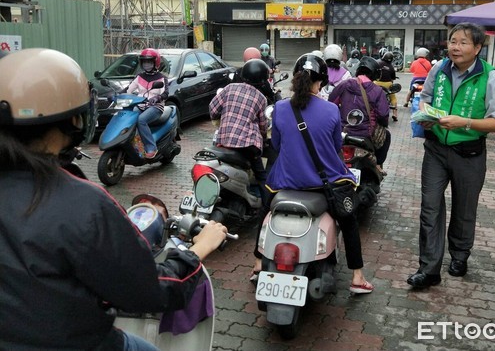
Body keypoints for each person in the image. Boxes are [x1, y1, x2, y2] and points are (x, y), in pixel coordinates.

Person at [0, 48, 228, 350]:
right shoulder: (84, 204)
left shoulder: (159, 80)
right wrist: (196, 251)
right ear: (72, 120)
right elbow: (150, 292)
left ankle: (151, 149)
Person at [252, 53, 373, 294]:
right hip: (324, 184)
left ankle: (257, 265)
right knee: (349, 220)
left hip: (284, 183)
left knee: (264, 211)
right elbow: (336, 147)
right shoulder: (330, 110)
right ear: (321, 82)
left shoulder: (280, 109)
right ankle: (357, 277)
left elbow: (275, 144)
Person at [406, 23, 495, 289]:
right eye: (452, 41)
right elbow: (425, 98)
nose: (455, 47)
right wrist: (426, 116)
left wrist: (464, 122)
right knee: (429, 207)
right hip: (437, 149)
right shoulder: (438, 69)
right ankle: (428, 269)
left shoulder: (490, 77)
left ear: (477, 48)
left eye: (463, 42)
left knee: (464, 209)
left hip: (470, 153)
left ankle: (460, 256)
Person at [209, 59, 269, 205]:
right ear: (262, 81)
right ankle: (267, 208)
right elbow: (263, 126)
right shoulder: (261, 98)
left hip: (223, 142)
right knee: (261, 176)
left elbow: (213, 109)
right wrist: (264, 139)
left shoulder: (229, 88)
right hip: (248, 146)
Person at [329, 56, 391, 176]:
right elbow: (383, 115)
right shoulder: (377, 91)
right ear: (374, 74)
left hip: (343, 132)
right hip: (366, 135)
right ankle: (378, 165)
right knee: (387, 135)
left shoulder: (344, 85)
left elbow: (331, 104)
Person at [126, 48, 168, 159]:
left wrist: (157, 98)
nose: (146, 64)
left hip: (155, 107)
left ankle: (151, 147)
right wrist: (115, 94)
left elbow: (165, 94)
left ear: (155, 63)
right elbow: (128, 90)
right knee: (129, 117)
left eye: (149, 62)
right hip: (140, 105)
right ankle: (134, 143)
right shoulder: (139, 77)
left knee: (141, 120)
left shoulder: (161, 78)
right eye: (144, 62)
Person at [375, 51, 398, 121]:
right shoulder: (391, 67)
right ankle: (395, 114)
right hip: (388, 84)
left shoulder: (378, 63)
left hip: (377, 83)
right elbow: (393, 77)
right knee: (393, 98)